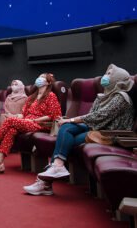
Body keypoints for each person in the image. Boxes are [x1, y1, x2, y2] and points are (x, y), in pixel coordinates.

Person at [23, 64, 135, 196]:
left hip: (108, 133)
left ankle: (46, 182)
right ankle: (56, 168)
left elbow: (97, 116)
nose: (105, 76)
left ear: (117, 79)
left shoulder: (121, 98)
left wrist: (71, 120)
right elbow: (93, 116)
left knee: (67, 138)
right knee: (65, 129)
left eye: (110, 74)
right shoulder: (102, 96)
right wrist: (68, 121)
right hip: (96, 127)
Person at [0, 73, 62, 175]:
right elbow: (23, 113)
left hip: (40, 124)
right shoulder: (32, 97)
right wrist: (18, 116)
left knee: (10, 121)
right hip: (27, 122)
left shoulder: (51, 96)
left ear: (48, 82)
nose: (39, 78)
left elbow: (54, 115)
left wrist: (34, 120)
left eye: (42, 77)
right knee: (11, 130)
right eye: (39, 77)